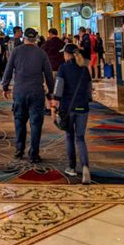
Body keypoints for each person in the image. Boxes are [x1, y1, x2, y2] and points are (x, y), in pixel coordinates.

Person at [2, 27, 54, 163]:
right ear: (35, 39)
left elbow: (8, 70)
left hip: (20, 91)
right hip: (36, 91)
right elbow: (48, 74)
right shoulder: (41, 53)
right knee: (36, 123)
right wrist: (52, 92)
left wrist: (5, 86)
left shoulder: (16, 51)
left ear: (24, 38)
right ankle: (34, 154)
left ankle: (19, 150)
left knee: (19, 121)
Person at [53, 43, 92, 184]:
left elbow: (58, 89)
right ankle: (85, 166)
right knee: (80, 138)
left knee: (69, 136)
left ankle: (71, 167)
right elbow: (89, 89)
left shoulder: (63, 68)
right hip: (83, 107)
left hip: (68, 108)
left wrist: (55, 104)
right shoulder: (84, 69)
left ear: (67, 55)